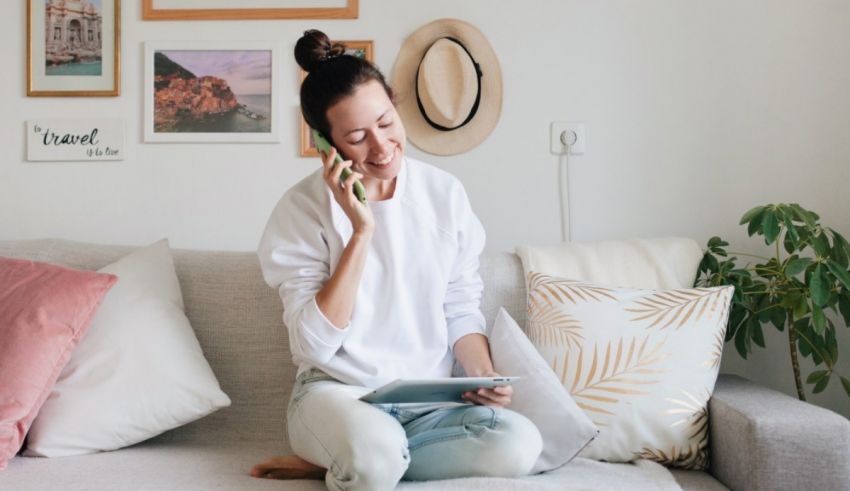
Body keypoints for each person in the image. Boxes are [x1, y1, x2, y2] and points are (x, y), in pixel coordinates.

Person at [251, 30, 542, 491]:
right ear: (327, 145)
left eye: (387, 122)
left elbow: (460, 307)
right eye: (357, 137)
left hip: (427, 404)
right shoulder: (300, 210)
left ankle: (354, 461)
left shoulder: (444, 194)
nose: (382, 148)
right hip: (336, 395)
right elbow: (313, 348)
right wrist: (362, 231)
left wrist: (482, 374)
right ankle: (363, 456)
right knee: (375, 452)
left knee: (519, 444)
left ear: (394, 103)